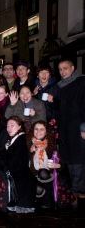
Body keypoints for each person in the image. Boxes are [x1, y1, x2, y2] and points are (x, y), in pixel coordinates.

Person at [57, 59, 85, 198]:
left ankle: (78, 188)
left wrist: (84, 127)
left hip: (77, 128)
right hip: (66, 128)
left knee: (78, 157)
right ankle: (74, 187)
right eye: (60, 69)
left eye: (65, 68)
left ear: (73, 68)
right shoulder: (62, 85)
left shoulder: (81, 83)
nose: (62, 71)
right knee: (68, 157)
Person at [5, 116, 36, 213]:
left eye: (12, 125)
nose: (9, 128)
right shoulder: (13, 140)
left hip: (22, 178)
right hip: (19, 176)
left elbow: (14, 161)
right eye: (7, 126)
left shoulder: (21, 140)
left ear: (19, 127)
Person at [33, 63, 60, 134]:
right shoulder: (34, 87)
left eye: (46, 72)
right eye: (41, 72)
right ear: (37, 75)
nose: (44, 75)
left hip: (51, 121)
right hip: (38, 119)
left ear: (50, 75)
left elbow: (60, 106)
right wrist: (34, 95)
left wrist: (52, 101)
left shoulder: (55, 87)